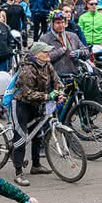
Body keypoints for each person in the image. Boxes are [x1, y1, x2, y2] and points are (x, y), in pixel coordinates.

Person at [11, 40, 60, 185]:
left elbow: (56, 80)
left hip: (37, 105)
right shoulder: (27, 70)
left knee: (38, 135)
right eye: (46, 52)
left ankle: (36, 165)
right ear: (38, 55)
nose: (49, 54)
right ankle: (18, 172)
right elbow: (27, 94)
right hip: (22, 104)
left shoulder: (47, 65)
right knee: (20, 138)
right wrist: (47, 96)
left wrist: (60, 91)